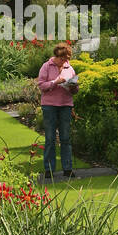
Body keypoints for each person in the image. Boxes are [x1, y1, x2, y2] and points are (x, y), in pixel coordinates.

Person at [37, 41, 78, 179]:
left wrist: (73, 87)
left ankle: (68, 168)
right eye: (62, 59)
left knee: (65, 138)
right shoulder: (46, 66)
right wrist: (55, 82)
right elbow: (41, 85)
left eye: (66, 59)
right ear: (57, 56)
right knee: (50, 138)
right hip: (49, 106)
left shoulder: (69, 68)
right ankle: (49, 169)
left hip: (65, 105)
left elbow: (75, 90)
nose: (64, 62)